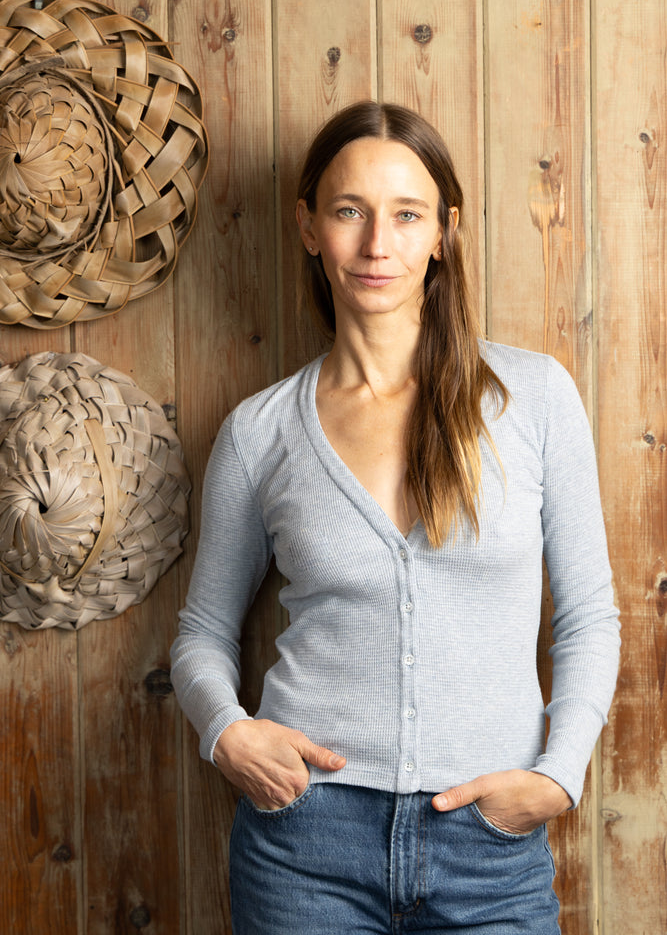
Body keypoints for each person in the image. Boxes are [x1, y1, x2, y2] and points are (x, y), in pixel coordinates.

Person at [170, 101, 620, 934]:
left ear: (444, 231)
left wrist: (557, 776)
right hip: (303, 842)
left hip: (489, 842)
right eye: (349, 211)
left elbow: (589, 614)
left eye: (407, 215)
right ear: (309, 228)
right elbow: (202, 630)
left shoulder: (533, 400)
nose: (377, 244)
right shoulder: (258, 432)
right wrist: (226, 732)